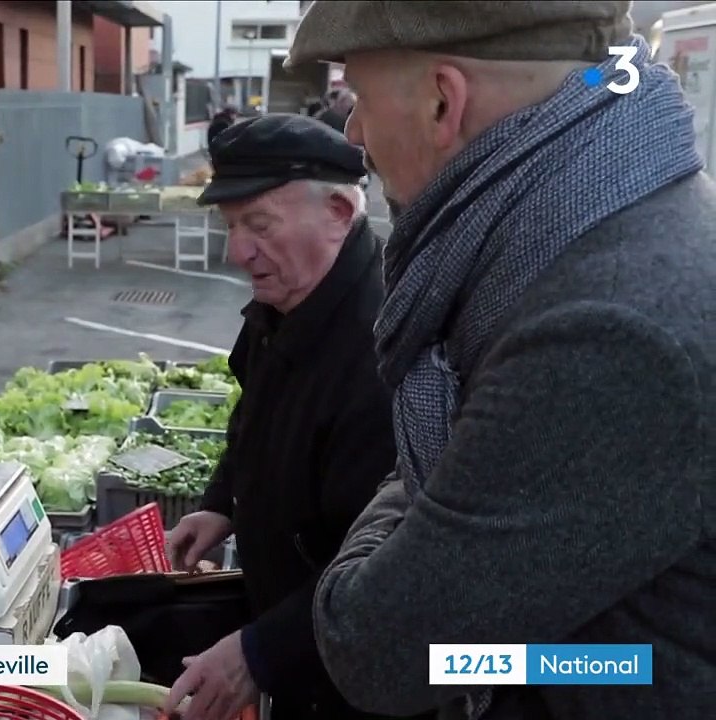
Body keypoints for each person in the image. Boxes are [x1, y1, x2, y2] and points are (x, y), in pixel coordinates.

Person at [286, 2, 716, 719]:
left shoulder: (608, 332)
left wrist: (389, 534)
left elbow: (378, 647)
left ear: (442, 100)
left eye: (359, 96)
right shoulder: (603, 216)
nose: (353, 133)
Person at [162, 114, 410, 720]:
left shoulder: (378, 355)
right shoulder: (287, 305)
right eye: (230, 226)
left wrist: (260, 654)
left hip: (348, 676)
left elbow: (383, 570)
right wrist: (222, 501)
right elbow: (256, 414)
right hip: (289, 625)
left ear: (337, 213)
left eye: (258, 225)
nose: (237, 250)